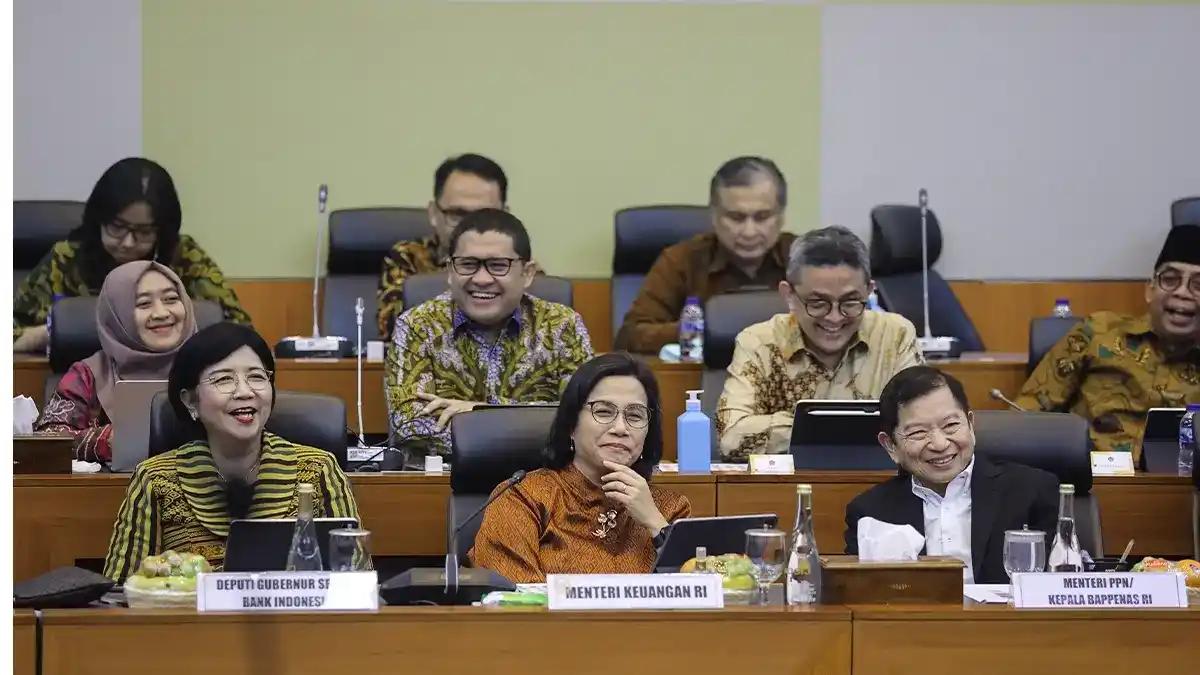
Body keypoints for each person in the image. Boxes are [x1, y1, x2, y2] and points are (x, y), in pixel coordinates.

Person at [103, 322, 360, 582]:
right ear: (190, 401)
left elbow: (357, 581)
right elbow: (118, 593)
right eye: (224, 379)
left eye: (257, 377)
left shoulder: (319, 469)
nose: (245, 392)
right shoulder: (155, 479)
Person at [385, 209, 592, 456]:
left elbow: (589, 416)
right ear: (450, 271)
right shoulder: (416, 326)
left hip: (545, 482)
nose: (482, 279)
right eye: (468, 264)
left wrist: (480, 412)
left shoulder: (562, 325)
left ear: (527, 273)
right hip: (441, 484)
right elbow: (409, 425)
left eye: (498, 265)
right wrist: (533, 425)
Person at [470, 353, 691, 582]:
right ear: (571, 426)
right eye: (603, 411)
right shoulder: (524, 499)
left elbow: (701, 598)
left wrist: (656, 525)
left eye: (634, 416)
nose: (620, 428)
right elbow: (513, 601)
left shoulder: (670, 509)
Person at [716, 226, 922, 459]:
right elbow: (731, 437)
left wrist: (813, 429)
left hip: (877, 483)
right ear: (789, 296)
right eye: (817, 303)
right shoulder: (759, 342)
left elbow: (920, 427)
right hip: (785, 489)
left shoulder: (895, 335)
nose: (834, 318)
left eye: (851, 302)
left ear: (870, 291)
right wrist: (829, 428)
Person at [845, 366, 1059, 584]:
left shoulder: (1032, 493)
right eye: (918, 432)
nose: (940, 444)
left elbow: (1061, 585)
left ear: (970, 424)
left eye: (951, 425)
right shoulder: (871, 513)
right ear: (890, 445)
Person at [13, 157, 250, 352]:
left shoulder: (183, 257)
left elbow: (240, 330)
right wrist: (54, 332)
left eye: (144, 232)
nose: (127, 243)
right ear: (99, 219)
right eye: (117, 227)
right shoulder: (65, 260)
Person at [1015, 224, 1200, 462]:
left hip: (1181, 490)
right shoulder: (1099, 332)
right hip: (1088, 483)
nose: (1182, 292)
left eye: (1198, 284)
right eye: (1170, 279)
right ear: (1149, 290)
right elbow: (1024, 415)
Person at [614, 156, 797, 353]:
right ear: (714, 217)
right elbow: (629, 336)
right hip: (699, 379)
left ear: (781, 217)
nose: (749, 231)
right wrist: (704, 330)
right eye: (736, 218)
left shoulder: (804, 258)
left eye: (762, 217)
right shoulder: (681, 260)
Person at [34, 261, 197, 463]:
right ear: (117, 315)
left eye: (171, 299)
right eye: (144, 304)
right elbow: (47, 441)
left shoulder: (213, 366)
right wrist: (106, 440)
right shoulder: (88, 374)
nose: (161, 313)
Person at [376, 153, 508, 339]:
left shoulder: (518, 265)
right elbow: (392, 328)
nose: (470, 226)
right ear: (433, 214)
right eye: (457, 213)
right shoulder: (408, 257)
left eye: (484, 215)